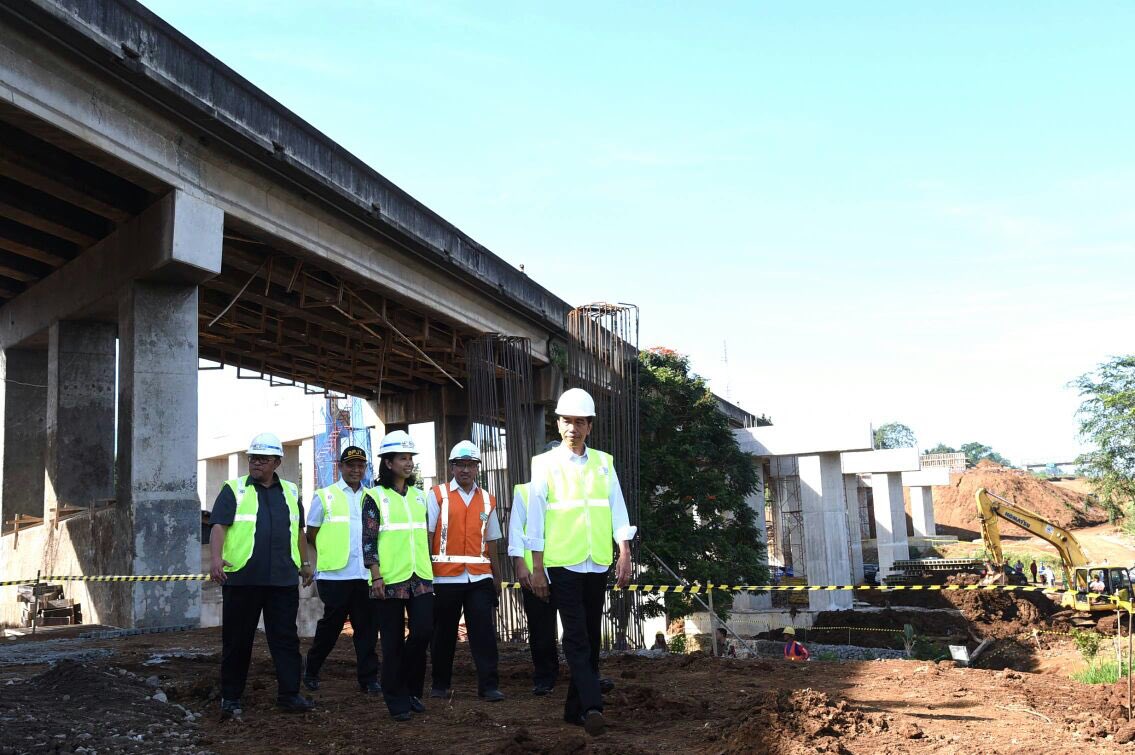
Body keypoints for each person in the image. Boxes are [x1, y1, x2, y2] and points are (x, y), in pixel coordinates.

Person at [527, 388, 636, 737]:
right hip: (562, 562)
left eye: (579, 422)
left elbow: (617, 508)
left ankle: (574, 710)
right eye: (566, 421)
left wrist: (624, 552)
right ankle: (592, 706)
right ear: (558, 423)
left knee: (591, 636)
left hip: (596, 561)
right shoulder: (543, 464)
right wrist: (538, 567)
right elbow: (536, 515)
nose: (572, 427)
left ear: (590, 426)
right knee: (575, 636)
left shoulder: (605, 463)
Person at [209, 432, 315, 719]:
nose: (255, 463)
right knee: (237, 640)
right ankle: (230, 698)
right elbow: (218, 525)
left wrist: (305, 563)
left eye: (262, 459)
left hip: (281, 580)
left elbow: (300, 531)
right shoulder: (234, 489)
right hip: (242, 578)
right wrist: (216, 559)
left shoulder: (292, 492)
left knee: (285, 640)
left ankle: (289, 695)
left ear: (277, 462)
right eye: (252, 458)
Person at [362, 431, 435, 721]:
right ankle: (396, 699)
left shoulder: (419, 496)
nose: (409, 463)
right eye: (403, 458)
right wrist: (376, 576)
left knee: (423, 633)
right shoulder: (374, 497)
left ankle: (411, 689)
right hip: (388, 581)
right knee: (391, 644)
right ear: (388, 463)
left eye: (410, 458)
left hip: (420, 578)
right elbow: (368, 540)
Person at [427, 440, 505, 702]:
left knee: (483, 632)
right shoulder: (437, 495)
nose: (465, 470)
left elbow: (492, 540)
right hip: (445, 576)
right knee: (443, 633)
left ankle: (489, 686)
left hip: (479, 576)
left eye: (470, 465)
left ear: (477, 468)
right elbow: (428, 535)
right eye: (460, 465)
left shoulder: (487, 500)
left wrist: (497, 574)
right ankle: (440, 684)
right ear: (452, 467)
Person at [302, 445, 381, 694]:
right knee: (331, 627)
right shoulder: (325, 496)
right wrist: (311, 565)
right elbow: (310, 535)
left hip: (364, 574)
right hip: (335, 575)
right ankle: (312, 669)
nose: (356, 470)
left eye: (360, 465)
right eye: (351, 465)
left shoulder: (373, 497)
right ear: (341, 466)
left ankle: (368, 679)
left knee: (366, 629)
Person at [510, 477, 561, 696]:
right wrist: (520, 563)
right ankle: (544, 677)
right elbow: (515, 529)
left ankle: (586, 674)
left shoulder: (571, 491)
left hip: (568, 568)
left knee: (579, 628)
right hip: (535, 573)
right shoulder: (524, 492)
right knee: (541, 629)